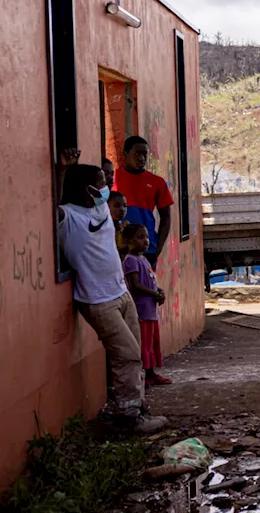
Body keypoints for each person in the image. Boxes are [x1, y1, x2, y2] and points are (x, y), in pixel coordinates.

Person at [55, 149, 167, 433]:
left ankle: (136, 407)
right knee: (127, 354)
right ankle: (129, 419)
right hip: (97, 299)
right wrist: (62, 170)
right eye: (101, 182)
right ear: (85, 188)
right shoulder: (68, 216)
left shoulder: (101, 208)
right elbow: (52, 205)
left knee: (135, 353)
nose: (106, 188)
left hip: (120, 293)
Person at [121, 223, 170, 386]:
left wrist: (159, 291)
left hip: (150, 310)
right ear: (127, 241)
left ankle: (151, 373)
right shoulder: (130, 261)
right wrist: (154, 293)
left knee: (151, 343)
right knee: (143, 344)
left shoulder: (144, 259)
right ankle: (144, 374)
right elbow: (135, 285)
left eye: (146, 237)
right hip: (141, 310)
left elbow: (150, 283)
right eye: (140, 237)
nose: (145, 241)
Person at [114, 136, 174, 270]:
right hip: (118, 247)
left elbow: (166, 217)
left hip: (147, 249)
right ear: (125, 154)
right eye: (137, 154)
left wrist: (158, 247)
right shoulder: (113, 178)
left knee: (146, 287)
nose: (141, 158)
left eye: (144, 154)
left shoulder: (157, 182)